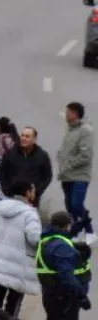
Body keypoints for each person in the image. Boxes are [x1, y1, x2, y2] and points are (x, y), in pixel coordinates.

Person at [36, 210, 91, 320]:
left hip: (53, 296)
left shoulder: (48, 238)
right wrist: (81, 296)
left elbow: (63, 236)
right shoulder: (61, 247)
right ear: (65, 226)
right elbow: (66, 274)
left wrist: (78, 227)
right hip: (64, 298)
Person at [0, 178, 42, 317]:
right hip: (19, 267)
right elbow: (35, 239)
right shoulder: (30, 214)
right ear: (27, 193)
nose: (34, 193)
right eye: (33, 190)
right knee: (13, 305)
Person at [57, 101, 94, 244]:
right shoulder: (70, 129)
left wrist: (68, 164)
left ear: (75, 114)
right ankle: (76, 231)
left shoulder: (86, 130)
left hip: (80, 175)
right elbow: (67, 150)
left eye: (68, 112)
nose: (65, 115)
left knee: (77, 204)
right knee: (70, 206)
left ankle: (90, 230)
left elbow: (86, 156)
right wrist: (60, 156)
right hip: (66, 175)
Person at [0, 126, 53, 198]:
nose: (23, 138)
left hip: (31, 198)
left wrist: (37, 191)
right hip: (11, 196)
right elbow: (1, 171)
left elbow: (47, 176)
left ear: (34, 139)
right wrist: (6, 189)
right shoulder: (11, 153)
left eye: (27, 136)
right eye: (22, 135)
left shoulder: (42, 156)